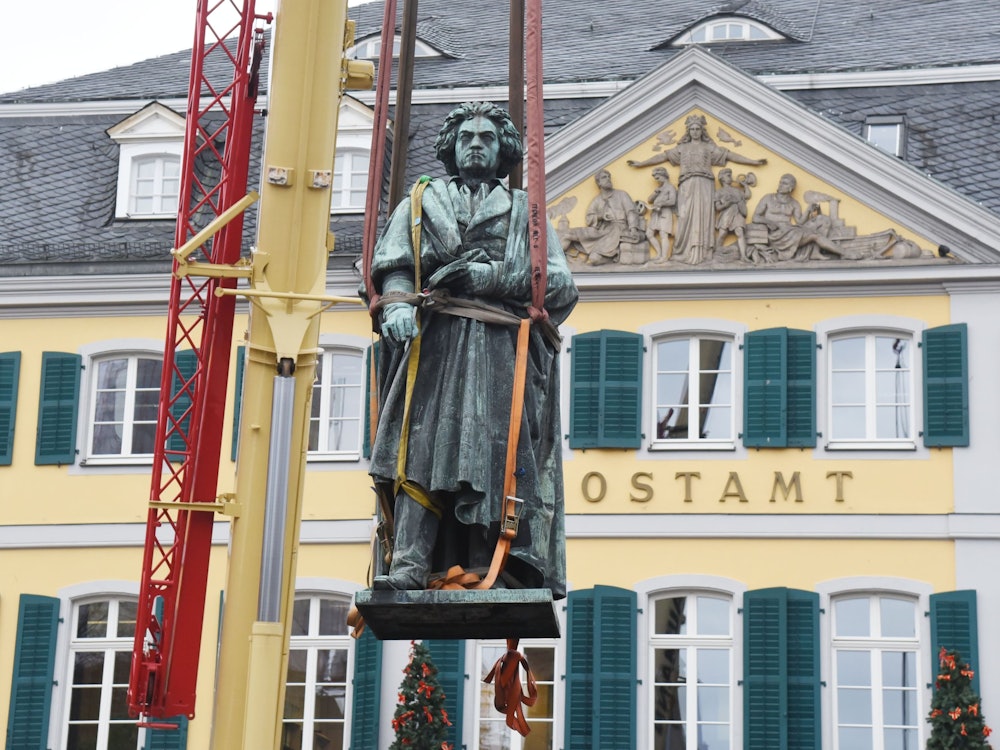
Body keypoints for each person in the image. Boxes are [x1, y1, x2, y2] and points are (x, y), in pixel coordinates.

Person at [365, 102, 578, 596]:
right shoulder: (419, 203)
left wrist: (492, 276)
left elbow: (562, 285)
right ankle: (411, 562)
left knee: (496, 453)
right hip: (433, 346)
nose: (476, 143)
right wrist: (396, 305)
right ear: (451, 148)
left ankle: (493, 563)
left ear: (502, 148)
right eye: (466, 137)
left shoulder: (527, 211)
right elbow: (393, 265)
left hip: (501, 350)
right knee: (418, 448)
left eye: (486, 136)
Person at [628, 113, 766, 264]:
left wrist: (752, 162)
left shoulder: (708, 147)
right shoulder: (682, 148)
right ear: (688, 131)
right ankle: (684, 252)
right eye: (692, 129)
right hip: (686, 186)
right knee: (685, 216)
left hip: (705, 185)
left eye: (697, 129)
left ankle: (704, 253)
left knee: (704, 215)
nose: (695, 131)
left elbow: (730, 155)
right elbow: (663, 156)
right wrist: (642, 164)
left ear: (702, 131)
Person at [750, 173, 845, 260]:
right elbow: (755, 217)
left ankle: (816, 252)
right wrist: (770, 222)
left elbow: (799, 222)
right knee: (813, 235)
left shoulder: (794, 203)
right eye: (781, 182)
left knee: (822, 221)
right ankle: (844, 253)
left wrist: (808, 210)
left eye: (785, 183)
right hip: (775, 235)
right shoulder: (768, 198)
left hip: (790, 231)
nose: (781, 185)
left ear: (791, 188)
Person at [560, 169, 644, 265]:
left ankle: (614, 257)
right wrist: (601, 216)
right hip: (601, 231)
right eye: (604, 177)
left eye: (609, 177)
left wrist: (633, 229)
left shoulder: (622, 195)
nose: (608, 179)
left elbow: (631, 212)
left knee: (594, 259)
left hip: (617, 231)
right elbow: (589, 218)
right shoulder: (597, 200)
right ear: (598, 183)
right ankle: (554, 260)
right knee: (568, 235)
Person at [713, 168, 750, 259]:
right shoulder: (719, 192)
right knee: (722, 234)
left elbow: (747, 196)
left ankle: (744, 256)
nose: (731, 178)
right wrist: (727, 204)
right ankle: (715, 253)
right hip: (726, 214)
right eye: (728, 175)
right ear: (722, 178)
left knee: (740, 233)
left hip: (738, 213)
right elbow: (717, 207)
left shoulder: (737, 191)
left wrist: (745, 186)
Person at [645, 167, 676, 260]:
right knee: (649, 234)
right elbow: (649, 200)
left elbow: (673, 201)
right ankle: (658, 253)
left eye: (657, 178)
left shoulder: (670, 187)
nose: (656, 180)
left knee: (663, 234)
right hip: (655, 214)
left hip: (665, 213)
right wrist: (655, 193)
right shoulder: (658, 188)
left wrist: (662, 203)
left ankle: (664, 257)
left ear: (664, 176)